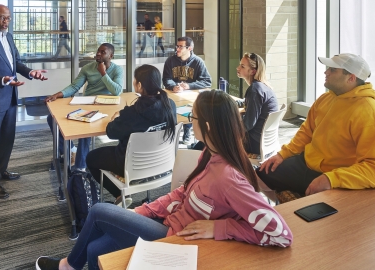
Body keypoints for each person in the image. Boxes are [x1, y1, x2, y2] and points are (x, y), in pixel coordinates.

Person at [35, 90, 293, 270]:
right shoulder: (209, 154)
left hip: (175, 238)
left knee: (100, 211)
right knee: (95, 250)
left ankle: (68, 266)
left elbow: (281, 234)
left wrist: (220, 229)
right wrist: (143, 211)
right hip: (168, 220)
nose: (190, 121)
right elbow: (182, 193)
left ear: (209, 127)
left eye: (192, 117)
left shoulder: (228, 177)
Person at [257, 53, 375, 198]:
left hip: (335, 175)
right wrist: (283, 155)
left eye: (333, 70)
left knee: (311, 214)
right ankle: (276, 214)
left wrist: (330, 179)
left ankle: (287, 213)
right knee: (257, 177)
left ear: (351, 78)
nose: (326, 72)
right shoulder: (325, 99)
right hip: (305, 163)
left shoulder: (370, 114)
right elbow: (306, 132)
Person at [0, 4, 48, 199]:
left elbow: (16, 64)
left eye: (8, 18)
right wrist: (2, 80)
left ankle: (1, 170)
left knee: (7, 139)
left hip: (10, 97)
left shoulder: (9, 37)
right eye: (1, 18)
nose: (5, 22)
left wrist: (31, 72)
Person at [86, 64, 177, 207]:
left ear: (139, 85)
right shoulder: (170, 105)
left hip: (131, 166)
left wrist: (115, 118)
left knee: (91, 158)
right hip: (162, 164)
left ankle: (119, 195)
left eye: (134, 81)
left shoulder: (132, 113)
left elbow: (111, 132)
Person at [45, 43, 124, 170]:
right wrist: (58, 94)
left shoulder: (117, 70)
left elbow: (117, 91)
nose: (98, 53)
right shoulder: (87, 68)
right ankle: (71, 149)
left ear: (111, 56)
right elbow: (74, 86)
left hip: (107, 107)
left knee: (86, 125)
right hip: (88, 103)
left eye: (103, 52)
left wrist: (103, 73)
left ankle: (80, 167)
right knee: (52, 118)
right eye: (98, 51)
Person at [162, 36, 211, 145]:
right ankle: (173, 134)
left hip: (190, 97)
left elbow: (207, 81)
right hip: (174, 95)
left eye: (181, 47)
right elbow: (166, 79)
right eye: (177, 46)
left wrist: (189, 86)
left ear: (190, 48)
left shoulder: (198, 62)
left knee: (191, 109)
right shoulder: (170, 61)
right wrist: (173, 86)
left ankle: (187, 131)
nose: (177, 49)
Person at [237, 53, 279, 155]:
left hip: (254, 143)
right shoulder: (263, 87)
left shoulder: (255, 90)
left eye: (242, 66)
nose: (238, 68)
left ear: (253, 71)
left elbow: (248, 124)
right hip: (266, 142)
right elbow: (249, 103)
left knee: (216, 136)